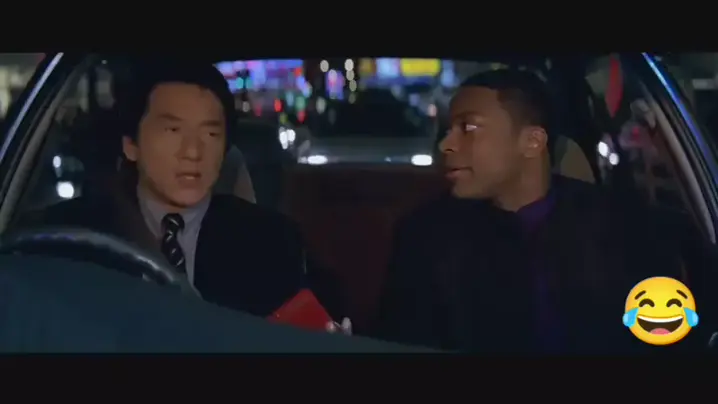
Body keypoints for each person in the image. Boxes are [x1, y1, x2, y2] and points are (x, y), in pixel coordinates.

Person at [371, 69, 696, 353]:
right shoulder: (426, 237)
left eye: (468, 128)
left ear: (532, 141)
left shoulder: (623, 230)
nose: (446, 144)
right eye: (447, 130)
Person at [13, 58, 349, 333]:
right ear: (131, 145)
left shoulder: (272, 241)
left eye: (210, 134)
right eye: (173, 130)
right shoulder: (68, 238)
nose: (192, 152)